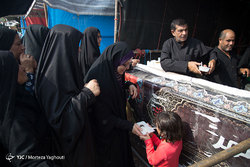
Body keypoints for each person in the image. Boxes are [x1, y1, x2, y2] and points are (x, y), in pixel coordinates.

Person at [35, 24, 100, 167]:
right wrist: (87, 94)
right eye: (75, 45)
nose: (78, 50)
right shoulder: (51, 80)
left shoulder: (64, 71)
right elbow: (61, 120)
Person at [84, 41, 143, 167]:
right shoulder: (98, 79)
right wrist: (129, 126)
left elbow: (117, 86)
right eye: (125, 65)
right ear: (114, 60)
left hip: (117, 126)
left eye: (129, 64)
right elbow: (102, 117)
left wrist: (128, 84)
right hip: (105, 133)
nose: (127, 68)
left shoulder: (114, 70)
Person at [0, 51, 54, 166]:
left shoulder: (18, 100)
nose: (22, 68)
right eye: (16, 66)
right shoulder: (15, 118)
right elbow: (27, 160)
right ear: (8, 73)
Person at [0, 26, 37, 94]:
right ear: (5, 46)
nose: (23, 47)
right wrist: (29, 71)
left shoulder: (23, 62)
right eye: (18, 44)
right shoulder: (5, 74)